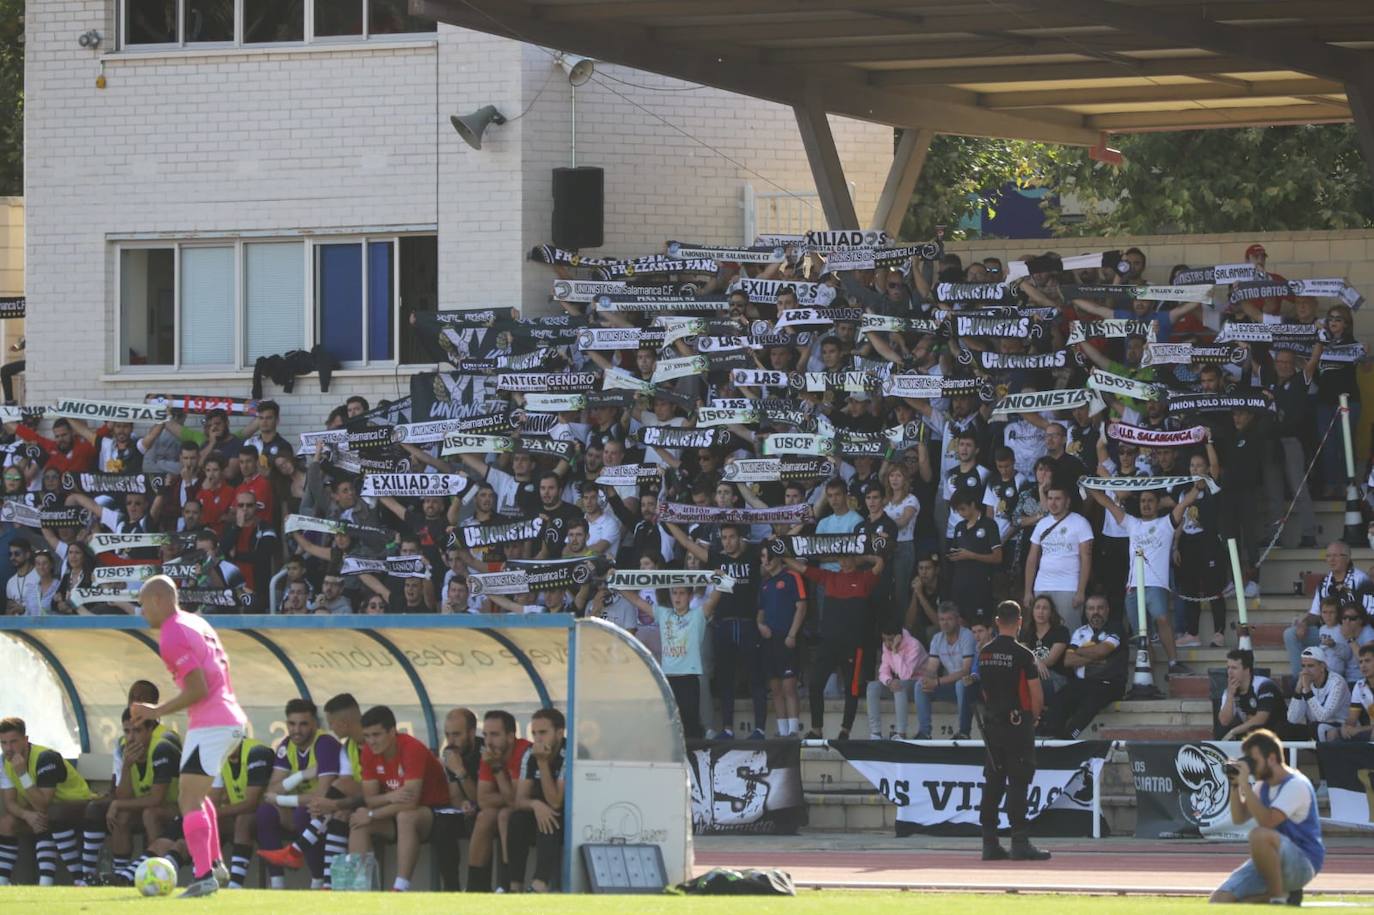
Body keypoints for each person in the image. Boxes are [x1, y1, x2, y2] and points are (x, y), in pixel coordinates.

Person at [131, 575, 246, 897]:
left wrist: (156, 711)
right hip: (226, 719)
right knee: (196, 794)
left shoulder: (172, 633)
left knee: (188, 798)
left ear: (158, 600)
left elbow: (198, 688)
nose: (141, 613)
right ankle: (215, 865)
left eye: (142, 605)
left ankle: (203, 875)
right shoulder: (196, 622)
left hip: (212, 722)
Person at [1089, 484, 1198, 677]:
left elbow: (1186, 503)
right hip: (1133, 588)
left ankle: (1173, 663)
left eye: (1150, 501)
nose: (1146, 505)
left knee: (1162, 619)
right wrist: (1090, 488)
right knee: (1142, 635)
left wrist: (1198, 486)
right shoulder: (1132, 523)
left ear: (1158, 504)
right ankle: (1150, 677)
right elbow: (1108, 503)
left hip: (1156, 585)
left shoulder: (1166, 523)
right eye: (1142, 501)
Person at [346, 705, 455, 893]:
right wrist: (389, 796)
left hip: (437, 812)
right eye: (367, 736)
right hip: (397, 812)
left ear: (392, 731)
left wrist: (372, 813)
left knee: (406, 816)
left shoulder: (411, 748)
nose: (371, 741)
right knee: (359, 822)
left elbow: (410, 802)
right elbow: (370, 799)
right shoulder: (369, 753)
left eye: (376, 735)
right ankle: (360, 889)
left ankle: (400, 887)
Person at [1210, 729, 1323, 906]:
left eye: (1254, 760)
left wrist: (1246, 785)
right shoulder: (1263, 785)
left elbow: (1267, 821)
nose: (1251, 765)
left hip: (1303, 861)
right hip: (1270, 860)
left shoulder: (1296, 784)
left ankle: (1277, 898)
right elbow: (1239, 818)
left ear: (1271, 758)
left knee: (1259, 835)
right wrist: (1235, 785)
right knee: (1220, 900)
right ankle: (1285, 896)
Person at [977, 600, 1051, 862]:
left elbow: (984, 691)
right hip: (1018, 725)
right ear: (1019, 622)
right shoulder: (1023, 654)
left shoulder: (984, 653)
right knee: (1018, 782)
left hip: (992, 726)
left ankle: (990, 842)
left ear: (997, 621)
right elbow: (1035, 693)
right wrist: (1034, 718)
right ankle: (1019, 842)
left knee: (993, 782)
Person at [0, 716, 97, 886]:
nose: (9, 748)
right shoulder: (3, 762)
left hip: (80, 804)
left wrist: (22, 774)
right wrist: (26, 815)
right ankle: (3, 881)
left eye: (13, 742)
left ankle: (63, 880)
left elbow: (42, 804)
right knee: (7, 822)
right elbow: (10, 803)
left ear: (25, 740)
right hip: (48, 810)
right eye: (3, 743)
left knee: (49, 813)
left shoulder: (46, 757)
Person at [255, 698, 341, 889]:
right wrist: (301, 775)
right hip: (296, 809)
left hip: (329, 814)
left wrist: (281, 798)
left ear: (315, 725)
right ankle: (277, 885)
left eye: (303, 724)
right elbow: (271, 790)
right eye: (292, 724)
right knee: (265, 812)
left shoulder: (325, 743)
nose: (296, 729)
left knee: (307, 812)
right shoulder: (287, 745)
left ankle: (318, 881)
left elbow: (323, 795)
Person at [1040, 595, 1127, 739]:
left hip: (1110, 684)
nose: (1095, 612)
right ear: (1086, 612)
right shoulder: (1080, 632)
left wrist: (1078, 651)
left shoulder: (1115, 627)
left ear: (1107, 610)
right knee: (1059, 700)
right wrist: (1092, 658)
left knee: (1089, 703)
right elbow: (1068, 660)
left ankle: (1069, 738)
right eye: (1091, 608)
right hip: (1083, 682)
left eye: (1100, 608)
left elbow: (1102, 651)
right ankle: (1051, 738)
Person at [501, 708, 566, 893]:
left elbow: (555, 802)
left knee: (551, 817)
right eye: (534, 733)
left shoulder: (569, 753)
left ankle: (540, 884)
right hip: (541, 810)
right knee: (516, 818)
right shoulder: (530, 754)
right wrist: (535, 804)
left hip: (570, 817)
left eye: (543, 733)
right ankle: (515, 886)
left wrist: (543, 763)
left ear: (559, 733)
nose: (537, 739)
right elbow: (520, 799)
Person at [466, 710, 530, 893]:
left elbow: (515, 800)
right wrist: (507, 796)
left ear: (511, 737)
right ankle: (475, 887)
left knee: (504, 814)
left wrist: (496, 767)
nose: (488, 741)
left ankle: (507, 883)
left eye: (494, 734)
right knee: (485, 816)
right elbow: (483, 799)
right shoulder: (490, 754)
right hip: (511, 807)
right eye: (485, 735)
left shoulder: (524, 752)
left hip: (533, 813)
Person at [1283, 543, 1371, 676]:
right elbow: (1314, 614)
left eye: (1336, 556)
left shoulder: (1361, 580)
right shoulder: (1324, 582)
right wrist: (1304, 623)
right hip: (1327, 632)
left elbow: (1370, 614)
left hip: (1352, 633)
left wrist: (1350, 627)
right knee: (1291, 634)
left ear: (1347, 558)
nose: (1331, 559)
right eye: (1328, 556)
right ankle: (1301, 679)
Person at [1022, 483, 1093, 630]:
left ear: (1067, 502)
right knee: (1041, 631)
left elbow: (1086, 558)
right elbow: (1032, 559)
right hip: (1042, 586)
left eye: (1058, 499)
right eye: (1050, 498)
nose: (1053, 503)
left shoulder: (1080, 523)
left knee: (1069, 631)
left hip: (1069, 587)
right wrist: (1028, 591)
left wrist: (1080, 591)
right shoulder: (1042, 524)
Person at [914, 602, 977, 740]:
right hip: (950, 686)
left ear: (957, 619)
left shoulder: (967, 636)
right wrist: (927, 679)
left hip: (970, 685)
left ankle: (963, 732)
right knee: (919, 686)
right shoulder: (937, 639)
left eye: (949, 619)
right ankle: (924, 733)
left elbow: (965, 671)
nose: (945, 623)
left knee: (961, 684)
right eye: (942, 619)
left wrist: (936, 681)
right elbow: (931, 668)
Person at [866, 622, 928, 740]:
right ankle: (876, 733)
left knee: (900, 685)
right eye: (884, 640)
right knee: (872, 687)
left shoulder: (914, 645)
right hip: (901, 684)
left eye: (890, 640)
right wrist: (889, 681)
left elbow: (905, 675)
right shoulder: (886, 646)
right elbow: (883, 672)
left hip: (919, 685)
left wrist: (895, 651)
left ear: (899, 637)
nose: (887, 644)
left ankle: (901, 733)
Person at [1219, 649, 1290, 741]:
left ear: (1247, 670)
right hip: (1253, 735)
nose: (1229, 672)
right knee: (1222, 732)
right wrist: (1230, 696)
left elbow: (1261, 719)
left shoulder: (1264, 685)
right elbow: (1224, 721)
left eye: (1234, 668)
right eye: (1228, 668)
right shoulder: (1229, 691)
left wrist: (1234, 731)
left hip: (1276, 733)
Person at [1343, 644, 1374, 741]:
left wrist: (1358, 729)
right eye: (1360, 662)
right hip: (1369, 730)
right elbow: (1352, 719)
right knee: (1335, 733)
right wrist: (1346, 727)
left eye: (1367, 661)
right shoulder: (1359, 686)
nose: (1363, 665)